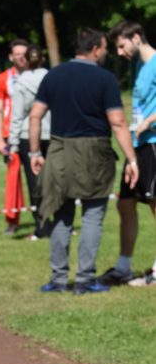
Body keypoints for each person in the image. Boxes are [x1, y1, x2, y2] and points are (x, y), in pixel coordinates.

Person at [29, 28, 139, 294]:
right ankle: (85, 279)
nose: (106, 52)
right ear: (95, 49)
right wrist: (132, 159)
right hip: (95, 150)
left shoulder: (53, 75)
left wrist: (34, 152)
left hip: (59, 149)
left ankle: (58, 279)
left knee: (61, 213)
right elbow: (117, 121)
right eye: (104, 48)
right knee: (92, 216)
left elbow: (35, 115)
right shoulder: (105, 78)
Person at [97, 20, 156, 287]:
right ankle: (123, 267)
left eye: (122, 46)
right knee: (125, 203)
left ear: (137, 37)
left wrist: (149, 122)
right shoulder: (140, 66)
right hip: (138, 144)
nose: (120, 53)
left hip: (152, 142)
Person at [8, 44, 51, 238]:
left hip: (28, 135)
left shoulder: (21, 82)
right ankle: (59, 222)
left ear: (25, 59)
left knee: (35, 183)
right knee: (53, 180)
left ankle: (42, 226)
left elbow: (17, 114)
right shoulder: (51, 77)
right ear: (42, 59)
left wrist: (13, 142)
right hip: (51, 133)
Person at [0, 38, 29, 233]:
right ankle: (12, 220)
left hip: (33, 132)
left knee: (39, 176)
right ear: (11, 56)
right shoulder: (3, 78)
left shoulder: (36, 75)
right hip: (10, 134)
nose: (21, 57)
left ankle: (44, 217)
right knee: (13, 177)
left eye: (24, 54)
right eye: (17, 54)